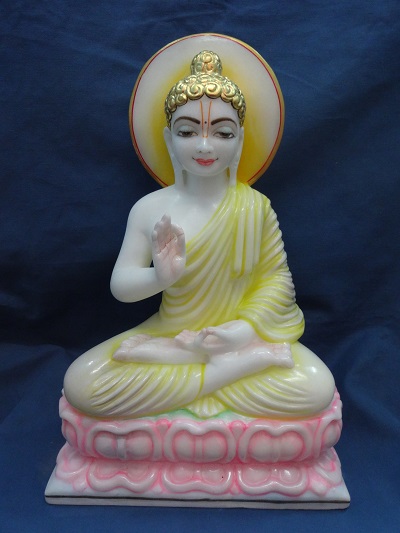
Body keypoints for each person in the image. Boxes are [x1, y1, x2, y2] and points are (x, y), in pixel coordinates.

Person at [64, 51, 335, 419]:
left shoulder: (254, 208)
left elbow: (276, 282)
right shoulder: (148, 208)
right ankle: (227, 369)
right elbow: (122, 285)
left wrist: (243, 331)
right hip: (172, 332)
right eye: (188, 132)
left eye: (222, 133)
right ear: (168, 138)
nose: (205, 145)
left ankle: (206, 364)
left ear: (240, 141)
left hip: (236, 338)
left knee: (316, 387)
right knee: (83, 383)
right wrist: (160, 278)